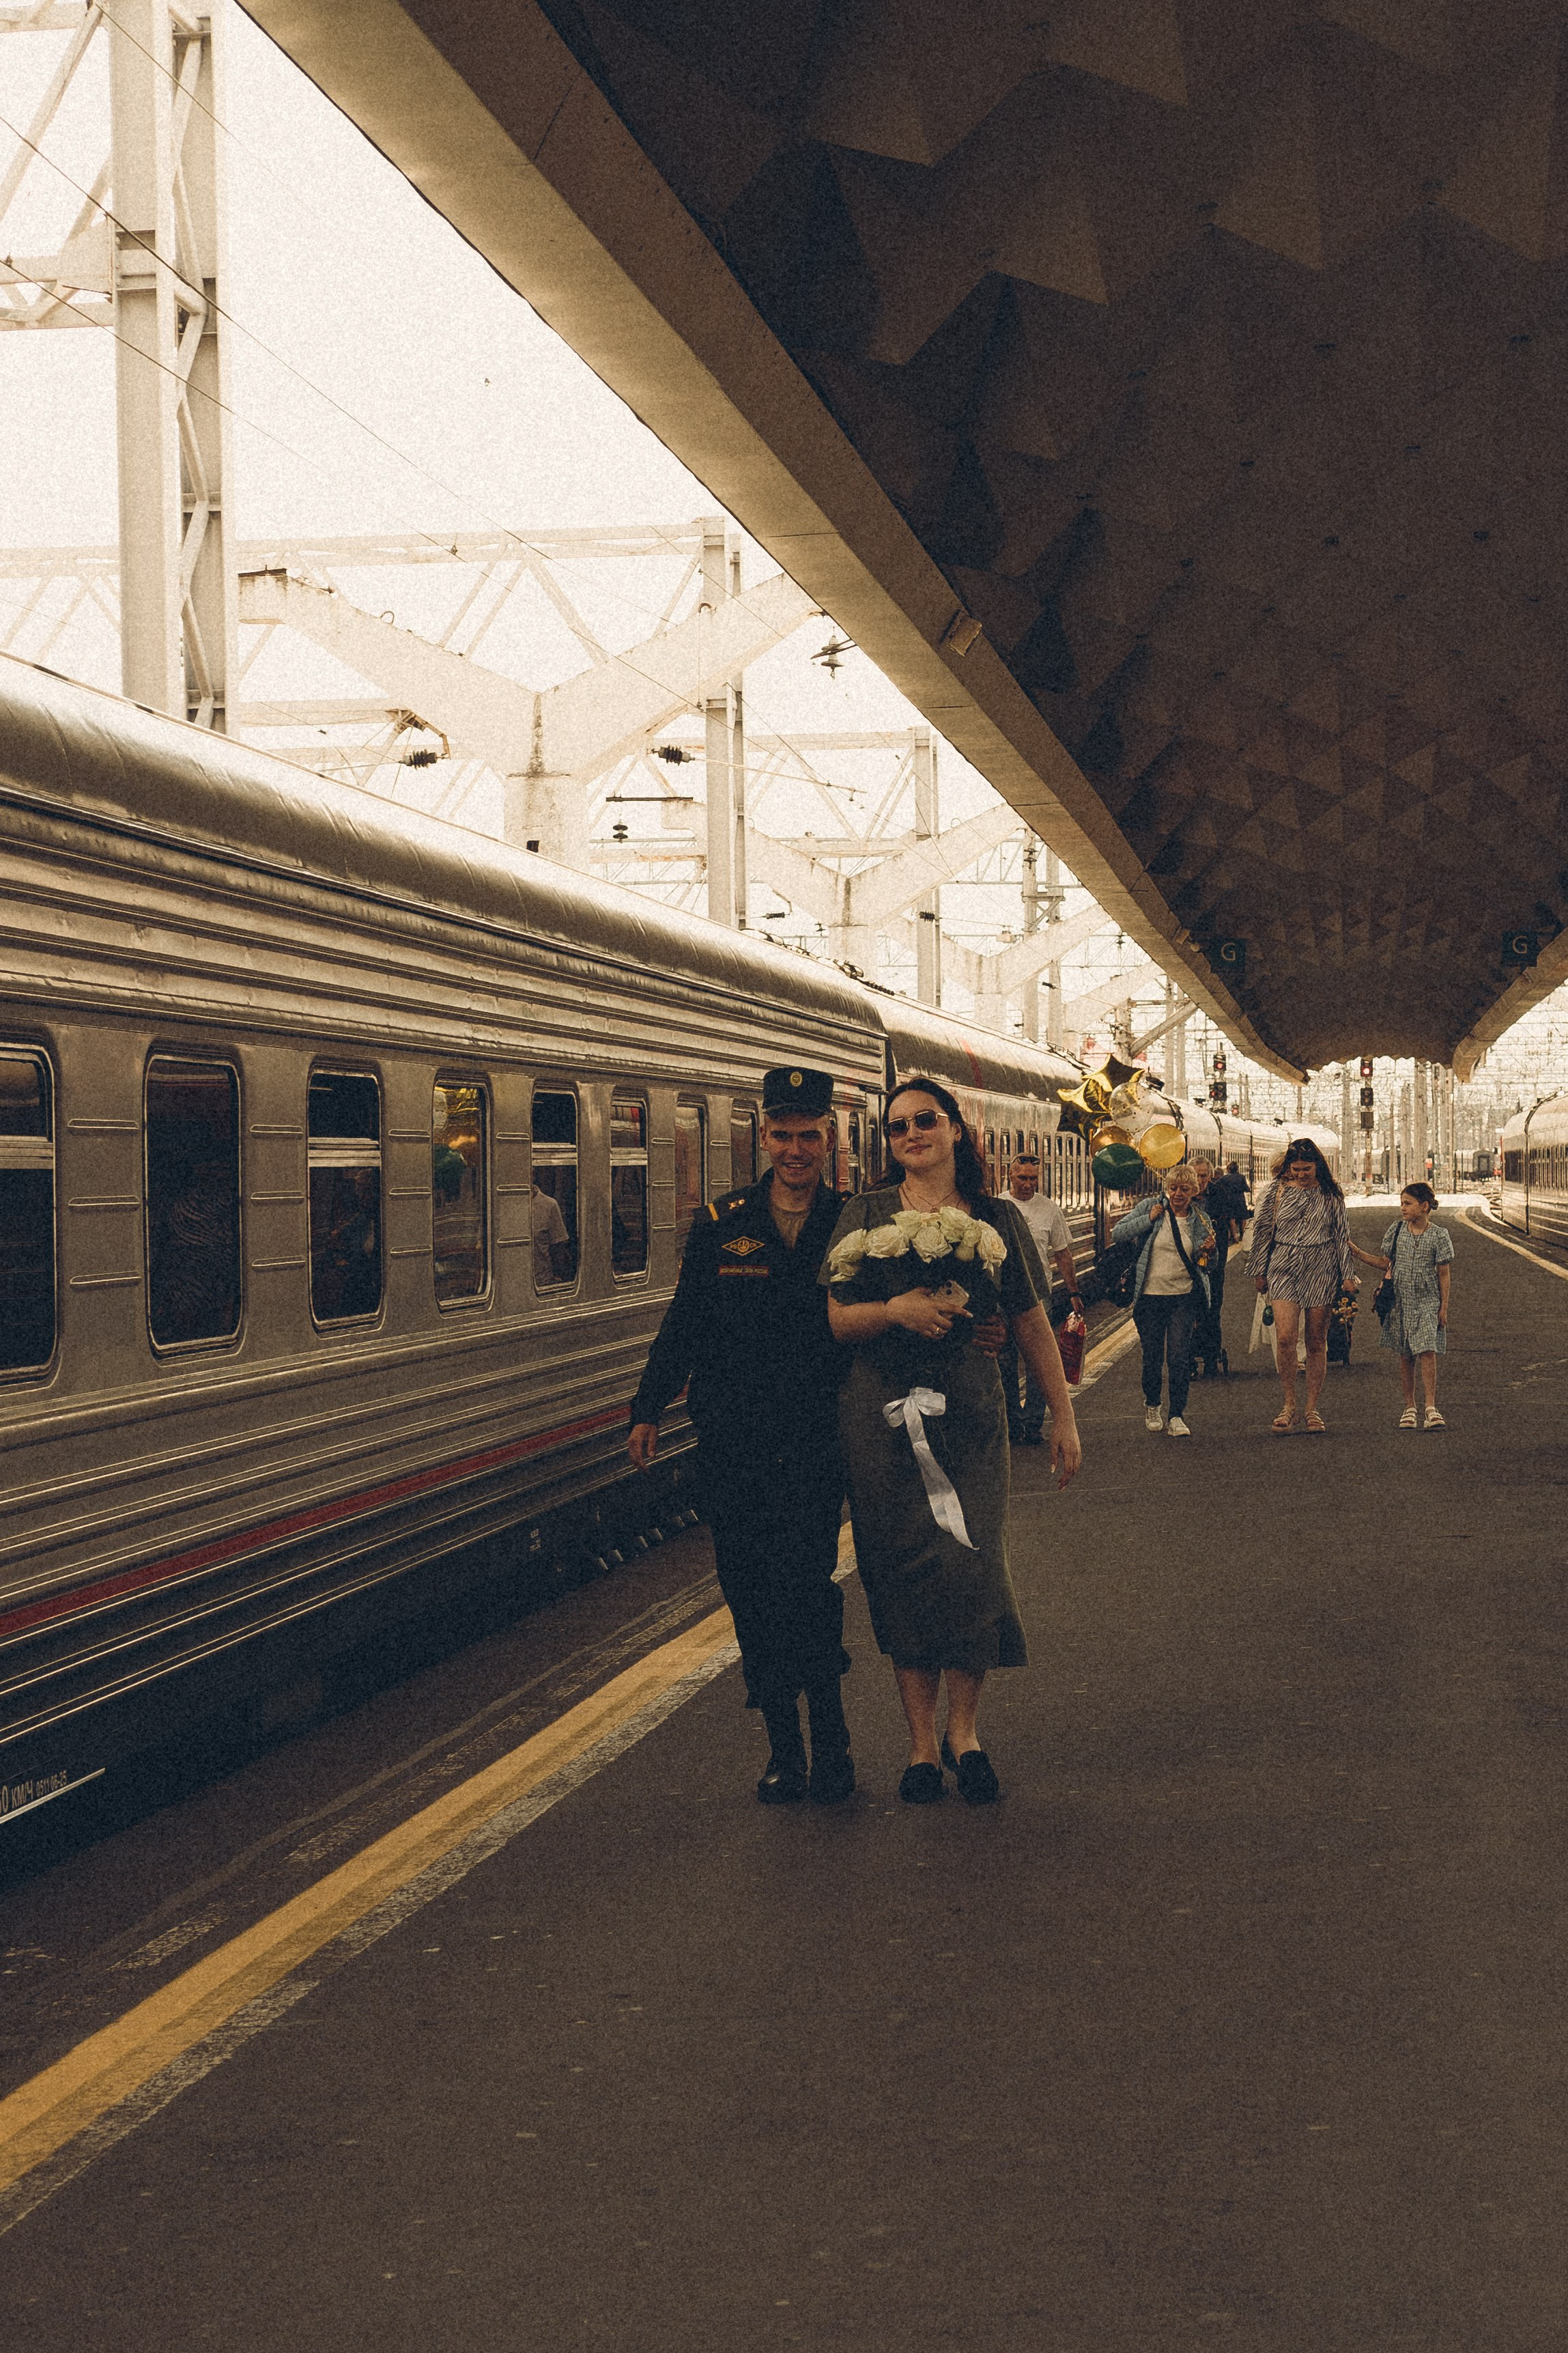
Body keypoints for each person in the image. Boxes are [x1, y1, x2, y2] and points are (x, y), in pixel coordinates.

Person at [822, 1077, 1081, 1806]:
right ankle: (917, 1745)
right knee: (900, 1568)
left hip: (969, 1413)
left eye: (924, 1120)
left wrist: (1063, 1414)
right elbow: (837, 1320)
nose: (910, 1134)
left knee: (972, 1567)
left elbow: (1029, 1320)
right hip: (880, 1417)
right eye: (897, 1126)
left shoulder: (995, 1217)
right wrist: (894, 1309)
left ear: (956, 1129)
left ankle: (963, 1733)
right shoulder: (864, 1212)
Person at [627, 1068, 856, 1806]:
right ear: (764, 1136)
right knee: (749, 1594)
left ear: (828, 1138)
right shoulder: (722, 1222)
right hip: (734, 1443)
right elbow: (685, 1320)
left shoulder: (850, 1225)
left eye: (808, 1136)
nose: (795, 1150)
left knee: (808, 1588)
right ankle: (783, 1750)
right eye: (783, 1135)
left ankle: (834, 1746)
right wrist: (646, 1405)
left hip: (815, 1440)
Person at [1249, 1136, 1386, 1433]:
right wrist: (1259, 1270)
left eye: (1306, 1168)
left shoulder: (1331, 1194)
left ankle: (1312, 1407)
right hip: (1283, 1265)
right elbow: (1263, 1233)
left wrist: (1347, 1275)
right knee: (1285, 1337)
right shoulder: (1276, 1190)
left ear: (1317, 1166)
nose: (1300, 1174)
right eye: (1296, 1168)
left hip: (1322, 1267)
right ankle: (1288, 1404)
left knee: (1315, 1341)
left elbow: (1340, 1235)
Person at [1111, 1164, 1214, 1437]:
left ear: (1194, 1191)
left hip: (1183, 1297)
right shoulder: (1150, 1207)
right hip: (1149, 1297)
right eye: (1173, 1188)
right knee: (1153, 1357)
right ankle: (1153, 1404)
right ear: (1166, 1188)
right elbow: (1118, 1233)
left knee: (1180, 1357)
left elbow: (1207, 1265)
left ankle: (1177, 1415)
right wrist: (1147, 1219)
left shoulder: (1201, 1220)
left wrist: (1209, 1252)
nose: (1177, 1194)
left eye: (1184, 1189)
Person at [997, 1151, 1083, 1443]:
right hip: (1002, 1297)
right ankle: (1012, 1422)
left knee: (1038, 1362)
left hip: (1038, 1295)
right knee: (1004, 1361)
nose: (1028, 1184)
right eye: (1022, 1177)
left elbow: (1062, 1253)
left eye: (1033, 1178)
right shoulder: (997, 1206)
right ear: (1009, 1175)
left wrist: (1073, 1292)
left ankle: (1032, 1422)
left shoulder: (1049, 1209)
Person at [1378, 1181, 1453, 1428]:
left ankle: (1430, 1407)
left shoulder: (1439, 1235)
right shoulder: (1397, 1230)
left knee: (1427, 1351)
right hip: (1401, 1301)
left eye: (1408, 1204)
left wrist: (1443, 1307)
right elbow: (1385, 1263)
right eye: (1401, 1203)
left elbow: (1444, 1273)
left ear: (1425, 1206)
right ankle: (1409, 1407)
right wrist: (1356, 1252)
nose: (1403, 1208)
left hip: (1427, 1301)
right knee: (1406, 1354)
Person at [1195, 1157, 1251, 1376]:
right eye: (1195, 1175)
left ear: (1210, 1176)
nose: (1199, 1181)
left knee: (1212, 1308)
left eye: (1203, 1176)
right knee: (1189, 1311)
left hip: (1213, 1263)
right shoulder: (1180, 1197)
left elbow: (1226, 1225)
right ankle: (1188, 1356)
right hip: (1186, 1266)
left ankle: (1210, 1357)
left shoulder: (1219, 1194)